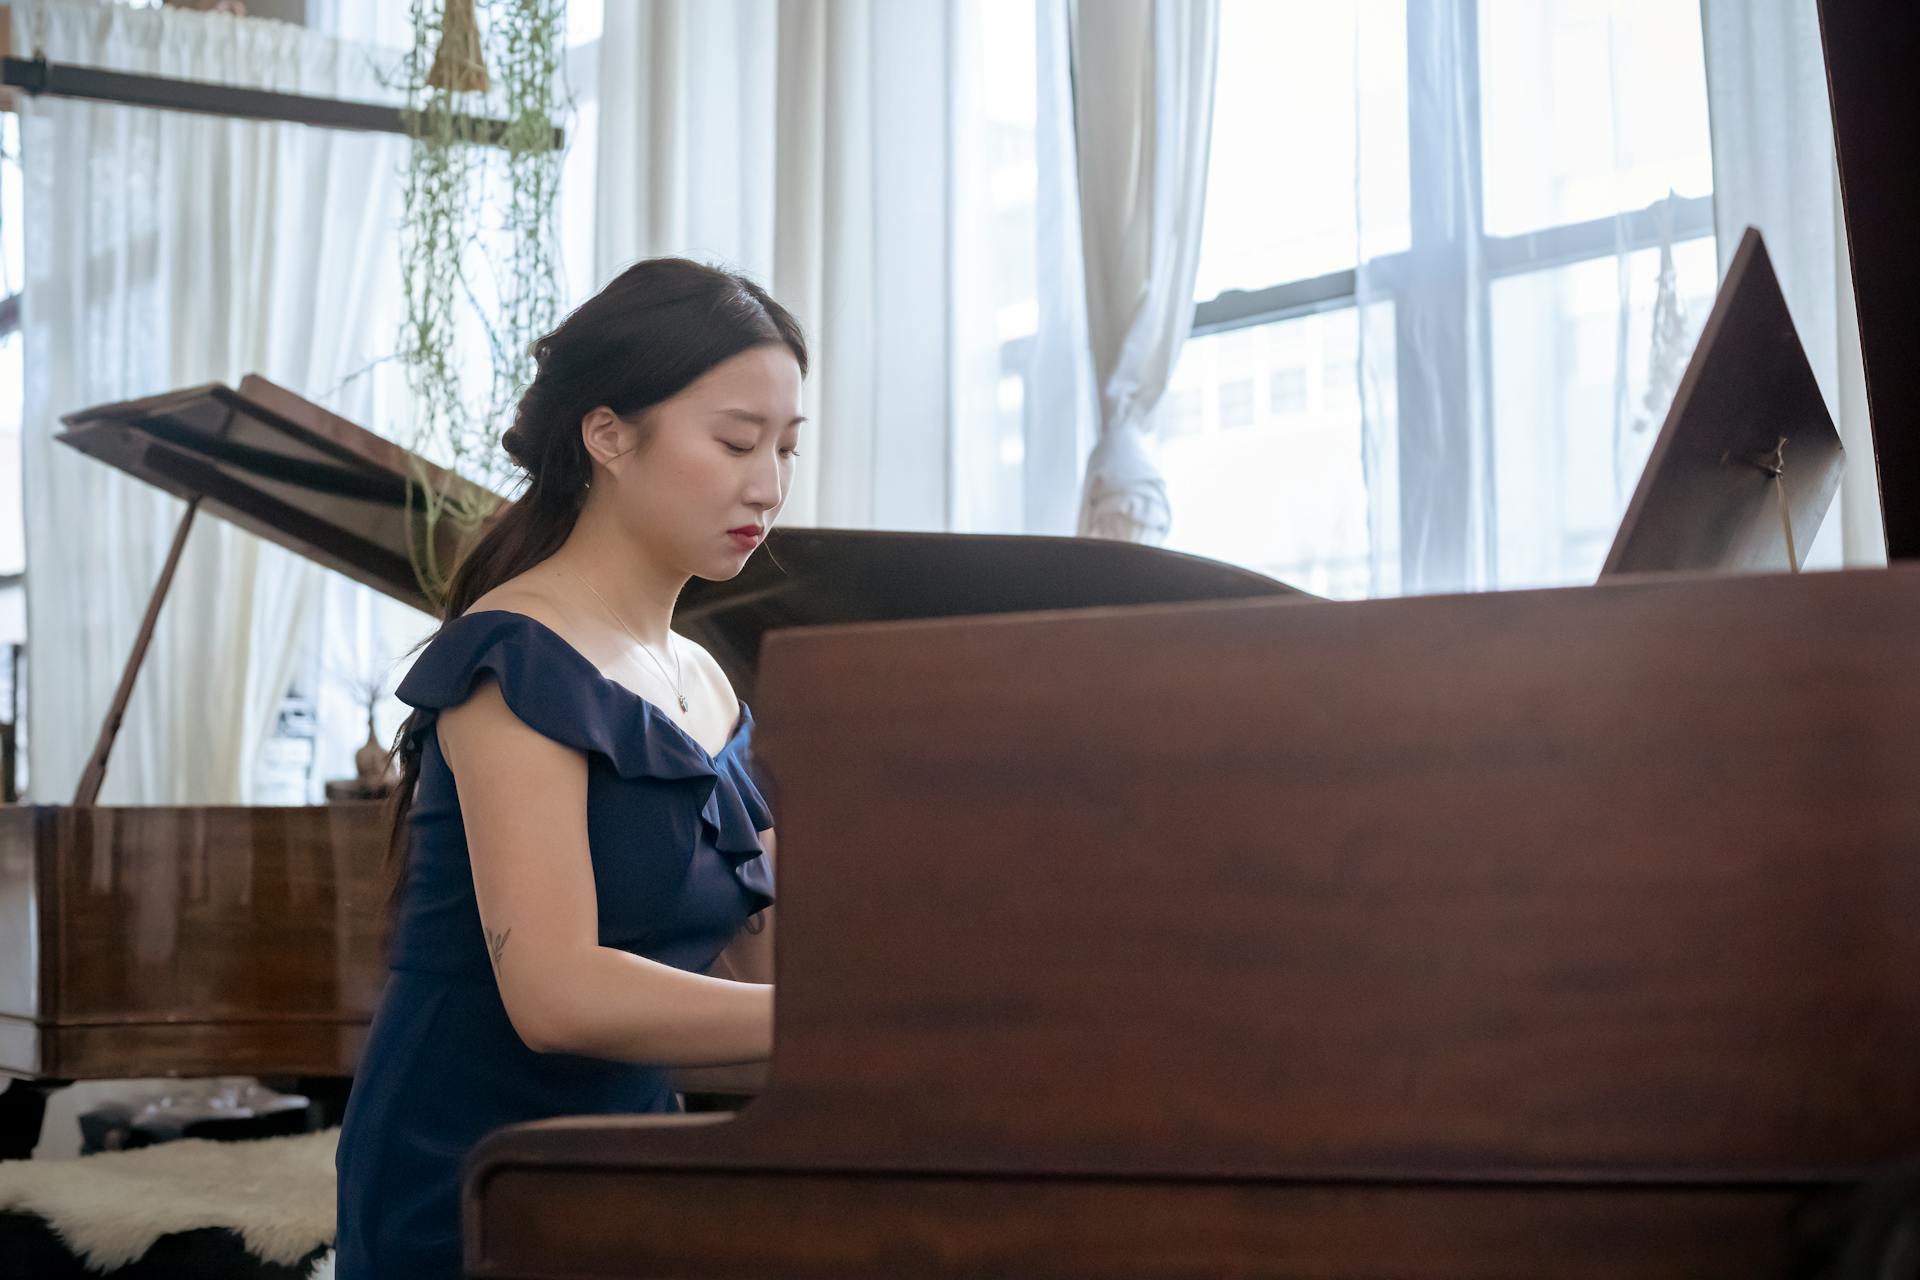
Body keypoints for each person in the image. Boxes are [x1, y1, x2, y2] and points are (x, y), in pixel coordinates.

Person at [333, 258, 806, 1279]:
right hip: (468, 1176)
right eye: (734, 440)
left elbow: (761, 978)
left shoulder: (708, 682)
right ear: (609, 435)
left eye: (784, 445)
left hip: (628, 1161)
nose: (766, 482)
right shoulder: (516, 657)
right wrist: (849, 1023)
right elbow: (554, 993)